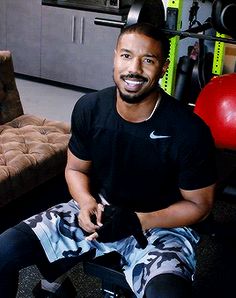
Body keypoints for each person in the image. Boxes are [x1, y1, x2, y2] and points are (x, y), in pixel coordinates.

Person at [0, 22, 217, 298]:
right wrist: (86, 203)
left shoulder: (189, 131)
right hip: (99, 211)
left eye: (147, 60)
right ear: (115, 57)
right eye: (126, 56)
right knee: (3, 251)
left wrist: (139, 220)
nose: (134, 69)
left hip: (162, 226)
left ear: (163, 67)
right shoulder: (90, 108)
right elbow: (76, 169)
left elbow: (200, 205)